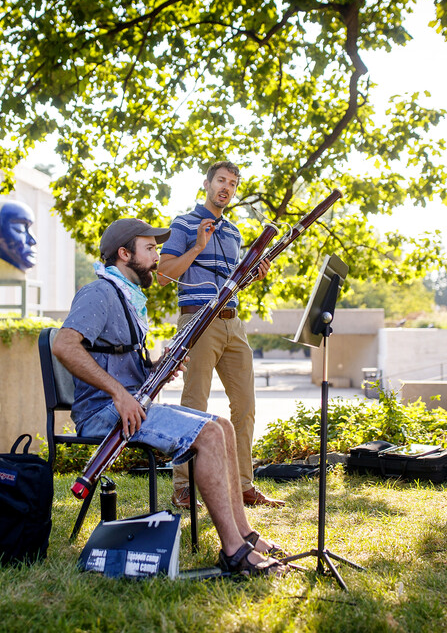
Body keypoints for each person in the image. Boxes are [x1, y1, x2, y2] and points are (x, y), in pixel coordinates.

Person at [52, 217, 286, 576]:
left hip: (131, 405)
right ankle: (235, 552)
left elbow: (117, 361)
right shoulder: (99, 293)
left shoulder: (128, 297)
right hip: (104, 412)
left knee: (221, 425)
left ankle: (246, 534)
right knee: (207, 435)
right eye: (150, 249)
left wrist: (156, 366)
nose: (158, 256)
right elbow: (64, 345)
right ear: (125, 254)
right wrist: (119, 393)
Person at [157, 161, 286, 509]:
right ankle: (183, 487)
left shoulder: (234, 234)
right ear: (207, 184)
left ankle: (244, 485)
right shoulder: (183, 223)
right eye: (221, 181)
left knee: (245, 407)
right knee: (194, 406)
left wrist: (253, 275)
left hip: (233, 323)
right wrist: (197, 246)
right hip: (198, 321)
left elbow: (231, 282)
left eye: (233, 182)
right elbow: (164, 275)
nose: (226, 187)